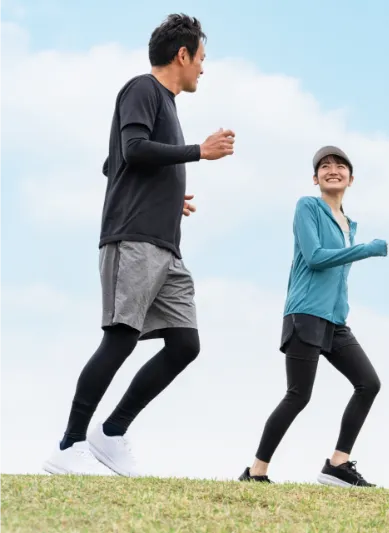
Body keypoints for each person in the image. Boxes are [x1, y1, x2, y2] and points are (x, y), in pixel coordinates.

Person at [42, 13, 235, 477]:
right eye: (202, 59)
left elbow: (115, 165)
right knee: (121, 338)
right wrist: (196, 153)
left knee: (185, 344)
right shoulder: (142, 89)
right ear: (182, 54)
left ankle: (109, 434)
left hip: (166, 245)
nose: (203, 70)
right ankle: (67, 447)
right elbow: (130, 151)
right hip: (133, 239)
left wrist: (168, 191)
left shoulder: (167, 104)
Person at [238, 146, 387, 487]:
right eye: (324, 166)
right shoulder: (308, 207)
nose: (332, 169)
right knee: (298, 395)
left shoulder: (349, 224)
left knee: (369, 384)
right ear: (315, 177)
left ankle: (337, 465)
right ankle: (255, 472)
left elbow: (339, 275)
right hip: (305, 313)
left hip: (335, 322)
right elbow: (316, 257)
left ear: (351, 178)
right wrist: (368, 249)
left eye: (339, 165)